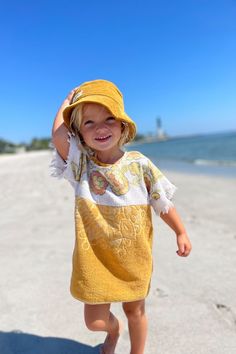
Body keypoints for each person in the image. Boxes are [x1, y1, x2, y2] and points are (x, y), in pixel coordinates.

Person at [50, 79, 192, 354]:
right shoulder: (81, 166)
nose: (100, 128)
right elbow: (58, 136)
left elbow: (161, 201)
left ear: (123, 125)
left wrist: (180, 231)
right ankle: (113, 332)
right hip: (95, 258)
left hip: (133, 257)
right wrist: (68, 102)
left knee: (135, 311)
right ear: (78, 131)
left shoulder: (139, 164)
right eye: (88, 122)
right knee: (94, 321)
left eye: (109, 119)